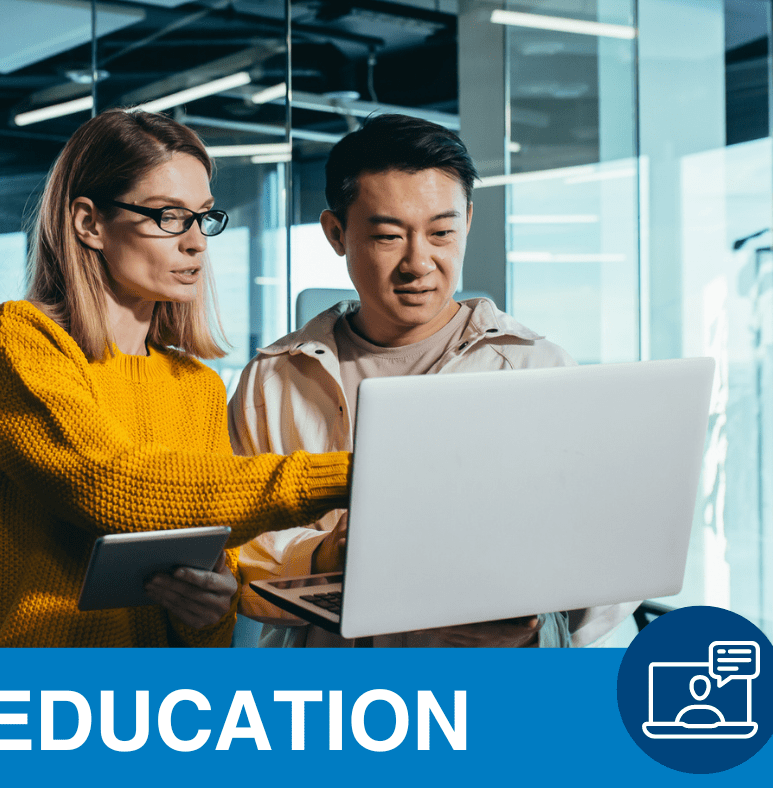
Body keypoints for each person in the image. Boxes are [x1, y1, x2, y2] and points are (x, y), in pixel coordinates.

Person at [0, 109, 351, 648]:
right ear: (88, 223)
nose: (197, 243)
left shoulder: (197, 386)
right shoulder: (13, 340)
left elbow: (209, 623)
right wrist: (353, 472)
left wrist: (207, 606)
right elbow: (110, 486)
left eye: (202, 217)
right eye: (167, 216)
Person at [229, 114, 636, 647]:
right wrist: (327, 557)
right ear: (335, 233)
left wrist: (534, 606)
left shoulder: (537, 369)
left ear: (467, 220)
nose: (419, 262)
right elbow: (234, 555)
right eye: (388, 236)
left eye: (442, 232)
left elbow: (611, 572)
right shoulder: (274, 381)